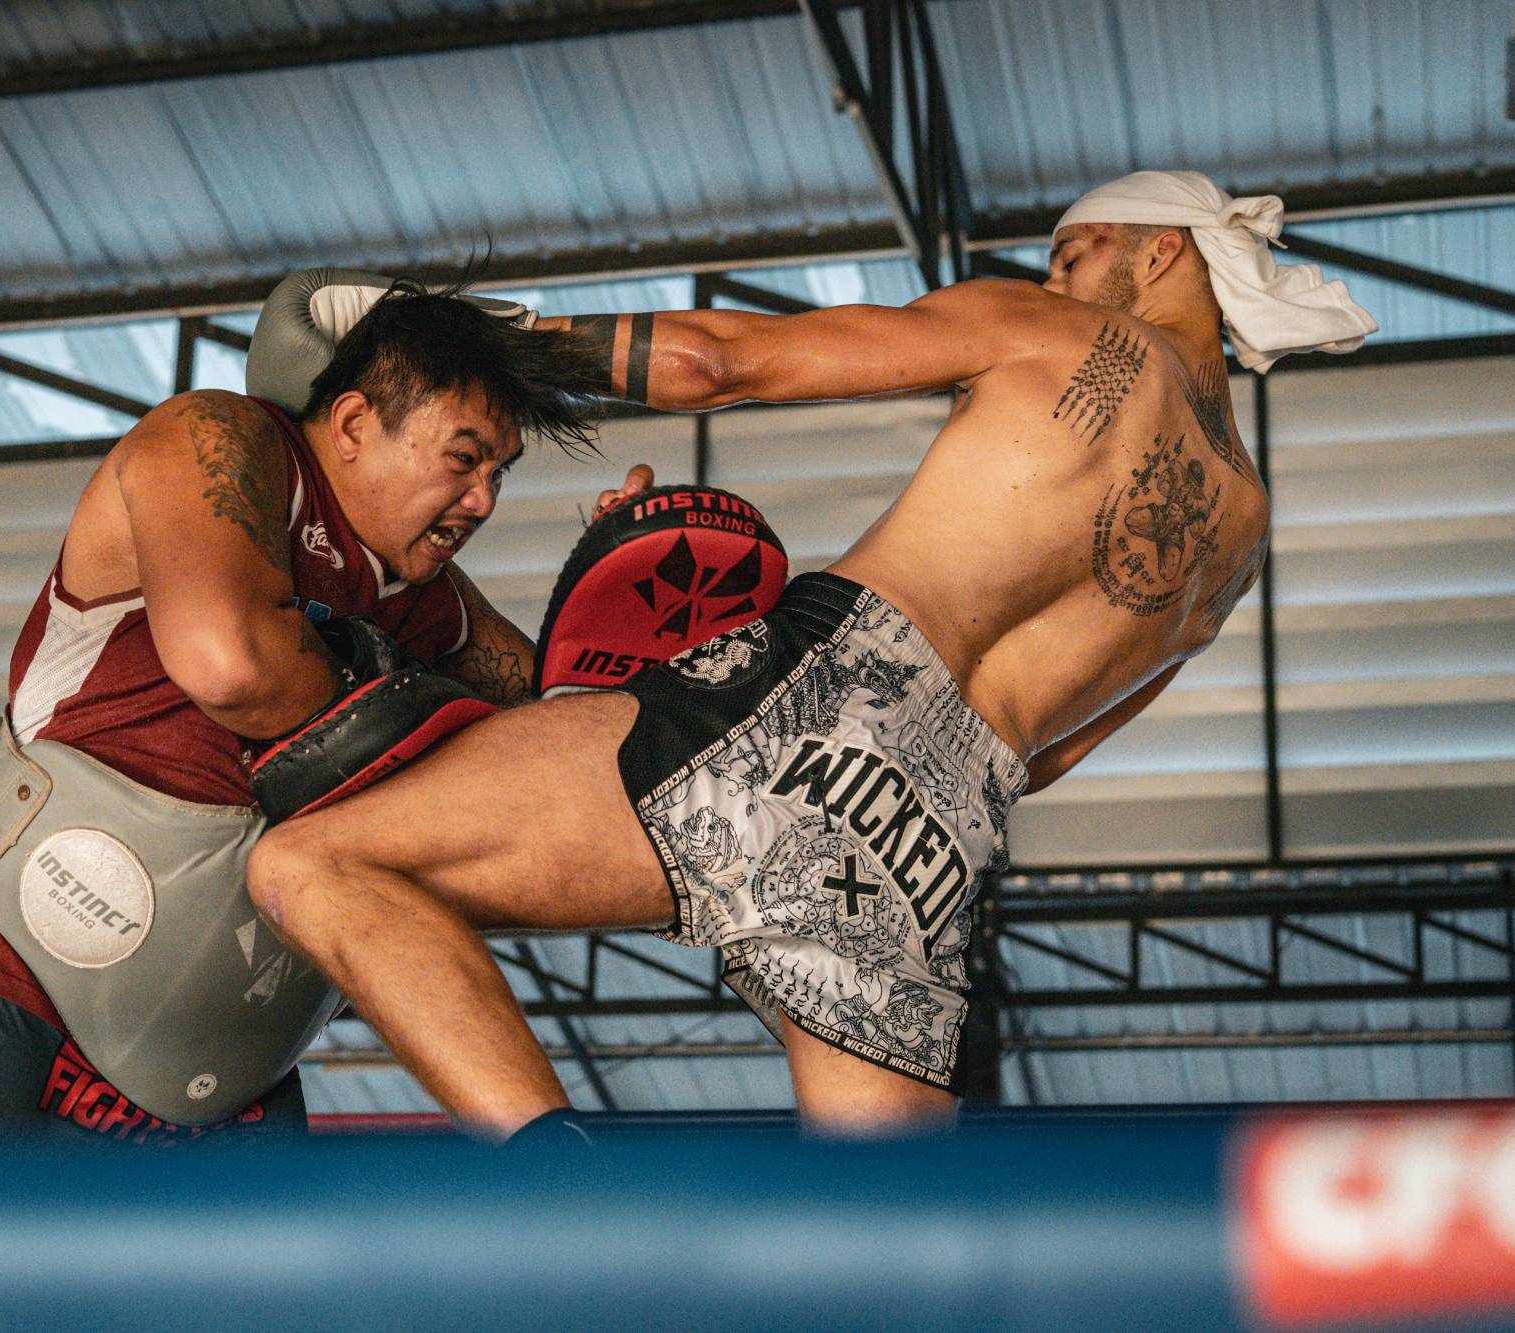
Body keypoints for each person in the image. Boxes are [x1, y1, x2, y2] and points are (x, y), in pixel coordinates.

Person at [244, 170, 1379, 1137]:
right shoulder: (1238, 538)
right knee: (878, 1257)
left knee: (313, 864)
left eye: (1074, 253)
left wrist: (452, 340)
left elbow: (710, 362)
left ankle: (564, 1191)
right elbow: (1046, 759)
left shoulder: (1061, 335)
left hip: (804, 700)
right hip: (928, 855)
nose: (1051, 281)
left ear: (1164, 253)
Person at [0, 279, 607, 1153]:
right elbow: (231, 665)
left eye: (500, 472)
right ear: (350, 425)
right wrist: (423, 732)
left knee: (246, 1289)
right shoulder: (219, 439)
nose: (485, 499)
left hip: (212, 1046)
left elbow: (561, 735)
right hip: (0, 949)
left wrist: (618, 590)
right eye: (463, 457)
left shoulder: (422, 597)